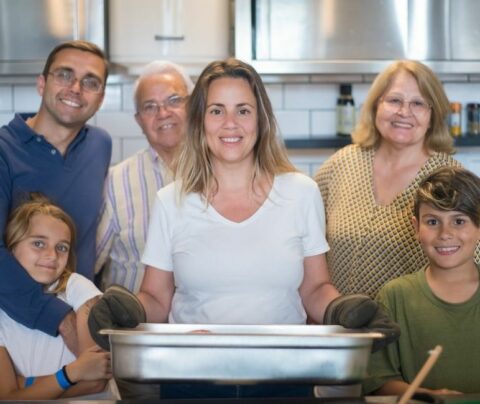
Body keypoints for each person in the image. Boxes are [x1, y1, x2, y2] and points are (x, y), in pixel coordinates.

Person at [88, 58, 400, 400]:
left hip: (284, 375)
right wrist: (128, 312)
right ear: (200, 122)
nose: (230, 124)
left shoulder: (300, 193)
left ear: (260, 119)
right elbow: (157, 298)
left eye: (243, 110)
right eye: (217, 111)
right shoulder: (171, 202)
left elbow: (315, 288)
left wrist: (344, 310)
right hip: (191, 378)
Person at [314, 60, 461, 298]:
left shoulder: (449, 178)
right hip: (337, 322)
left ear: (433, 115)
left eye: (418, 103)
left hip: (411, 330)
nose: (404, 112)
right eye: (394, 100)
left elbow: (471, 267)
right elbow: (306, 243)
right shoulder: (340, 165)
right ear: (376, 106)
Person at [0, 40, 111, 356]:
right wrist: (62, 320)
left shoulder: (99, 145)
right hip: (14, 325)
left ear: (100, 98)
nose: (76, 88)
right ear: (41, 83)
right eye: (65, 75)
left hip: (82, 320)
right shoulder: (3, 151)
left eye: (90, 81)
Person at [363, 166, 480, 395]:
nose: (445, 234)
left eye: (459, 221)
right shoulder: (394, 296)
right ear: (417, 228)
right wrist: (431, 397)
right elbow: (377, 381)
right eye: (433, 222)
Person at [0, 195, 115, 400]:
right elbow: (7, 396)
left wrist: (25, 385)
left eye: (62, 247)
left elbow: (96, 379)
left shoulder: (78, 288)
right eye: (38, 243)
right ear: (11, 247)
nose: (52, 255)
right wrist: (71, 373)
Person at [95, 60, 194, 293]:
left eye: (174, 100)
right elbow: (88, 264)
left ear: (193, 107)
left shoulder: (223, 173)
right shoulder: (115, 182)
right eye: (150, 106)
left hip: (202, 324)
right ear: (139, 121)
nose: (163, 113)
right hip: (133, 325)